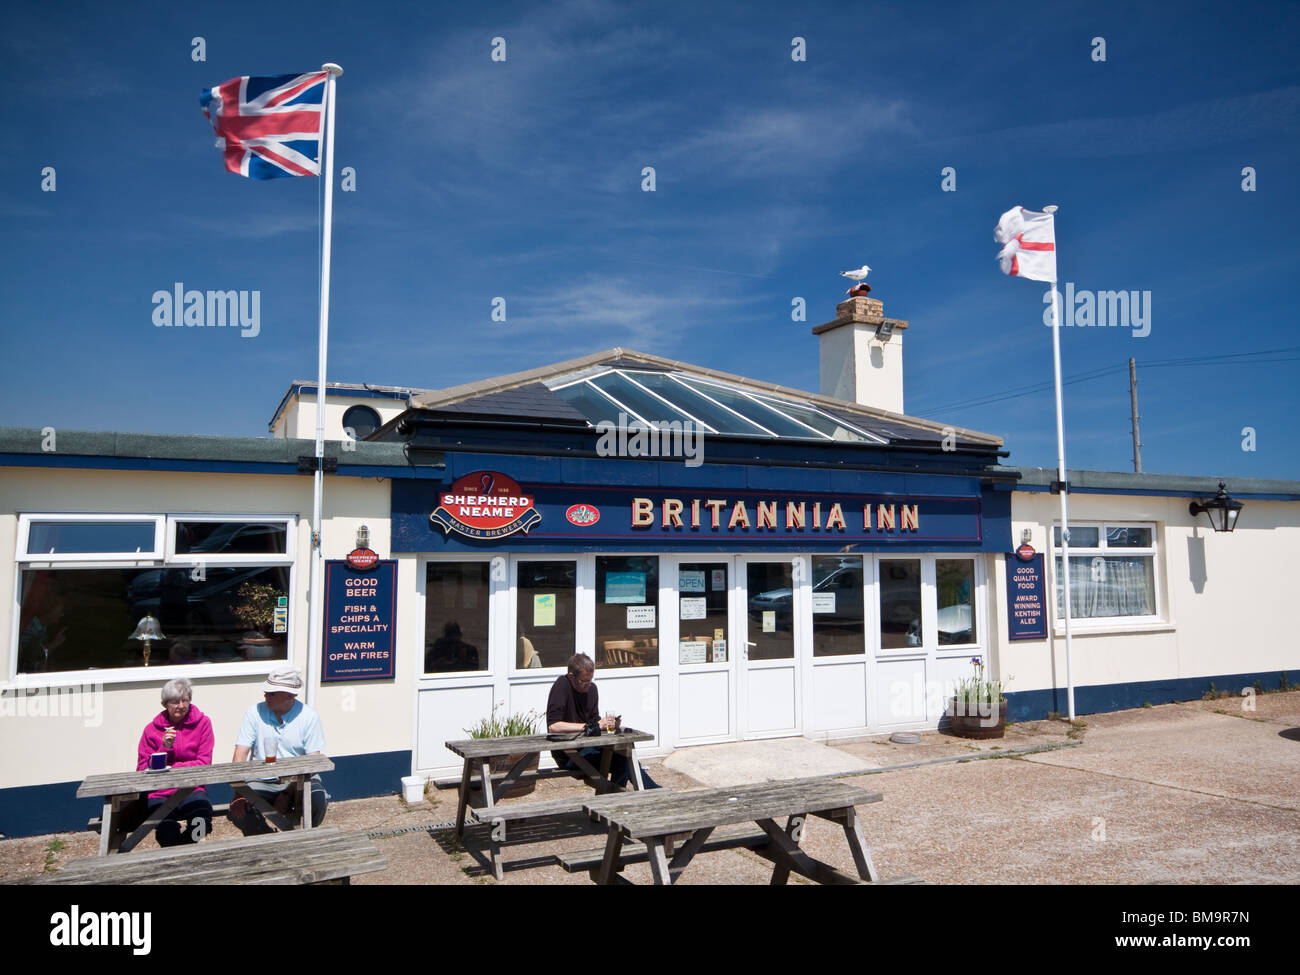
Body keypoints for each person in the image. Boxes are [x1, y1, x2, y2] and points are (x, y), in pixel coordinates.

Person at [229, 666, 329, 834]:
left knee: (317, 799)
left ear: (290, 695)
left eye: (272, 693)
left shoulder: (309, 716)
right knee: (240, 810)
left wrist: (287, 794)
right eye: (266, 692)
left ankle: (301, 837)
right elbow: (240, 754)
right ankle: (270, 841)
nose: (266, 696)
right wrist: (239, 792)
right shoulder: (254, 713)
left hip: (298, 780)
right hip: (261, 779)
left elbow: (312, 763)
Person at [546, 653, 659, 789]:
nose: (588, 685)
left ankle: (618, 798)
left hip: (589, 748)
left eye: (590, 680)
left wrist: (608, 724)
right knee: (625, 762)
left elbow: (594, 722)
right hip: (569, 754)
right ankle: (657, 794)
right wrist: (589, 726)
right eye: (583, 681)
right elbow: (553, 726)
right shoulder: (561, 687)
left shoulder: (592, 690)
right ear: (571, 676)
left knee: (626, 759)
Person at [135, 677, 215, 846]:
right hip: (161, 792)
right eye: (175, 702)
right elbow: (143, 768)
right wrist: (164, 748)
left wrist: (173, 768)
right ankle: (175, 863)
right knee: (166, 833)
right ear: (164, 704)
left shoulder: (203, 723)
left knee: (201, 825)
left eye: (184, 700)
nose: (181, 706)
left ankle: (185, 853)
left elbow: (204, 762)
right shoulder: (151, 730)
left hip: (193, 789)